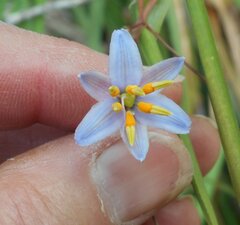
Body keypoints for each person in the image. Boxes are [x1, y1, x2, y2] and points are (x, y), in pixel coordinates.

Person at [0, 22, 220, 225]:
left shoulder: (134, 98)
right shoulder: (107, 94)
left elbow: (178, 124)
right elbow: (85, 133)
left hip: (130, 110)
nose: (129, 100)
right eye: (126, 99)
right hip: (119, 108)